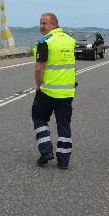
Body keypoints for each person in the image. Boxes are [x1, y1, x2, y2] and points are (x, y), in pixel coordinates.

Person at [32, 12, 76, 170]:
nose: (42, 26)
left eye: (45, 23)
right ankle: (63, 160)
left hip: (48, 91)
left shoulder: (45, 42)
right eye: (41, 22)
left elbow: (39, 67)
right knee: (64, 124)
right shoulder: (70, 40)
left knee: (39, 117)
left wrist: (38, 85)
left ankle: (46, 151)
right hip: (67, 92)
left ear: (54, 24)